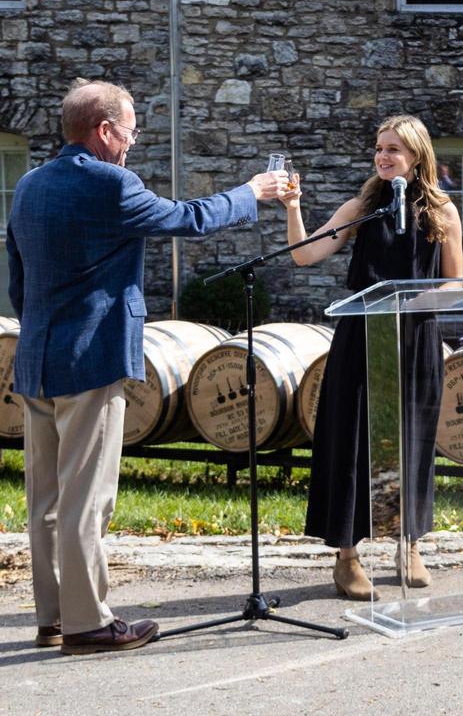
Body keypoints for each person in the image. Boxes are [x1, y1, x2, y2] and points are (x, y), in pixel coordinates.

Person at [7, 78, 283, 654]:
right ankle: (88, 625)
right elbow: (189, 218)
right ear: (104, 130)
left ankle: (54, 615)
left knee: (47, 501)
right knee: (87, 497)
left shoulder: (29, 185)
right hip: (90, 362)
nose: (134, 140)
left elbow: (18, 275)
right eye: (131, 129)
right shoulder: (110, 184)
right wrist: (252, 191)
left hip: (35, 360)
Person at [283, 115, 462, 599]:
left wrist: (413, 305)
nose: (383, 157)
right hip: (361, 337)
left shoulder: (442, 211)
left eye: (394, 150)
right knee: (352, 441)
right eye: (380, 148)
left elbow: (454, 283)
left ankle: (409, 544)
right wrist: (294, 208)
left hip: (416, 338)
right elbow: (305, 254)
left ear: (417, 156)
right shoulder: (361, 206)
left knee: (411, 442)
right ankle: (347, 556)